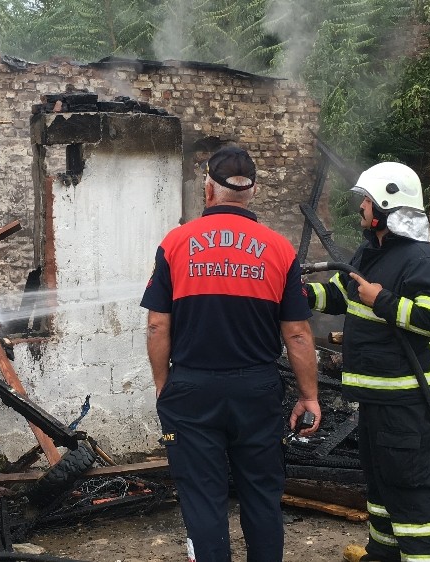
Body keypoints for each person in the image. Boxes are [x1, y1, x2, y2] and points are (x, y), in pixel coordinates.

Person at [140, 146, 321, 562]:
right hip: (255, 390)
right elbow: (296, 334)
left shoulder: (175, 243)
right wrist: (309, 396)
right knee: (261, 493)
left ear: (209, 189)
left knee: (202, 497)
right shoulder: (279, 248)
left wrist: (164, 385)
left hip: (191, 388)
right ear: (252, 192)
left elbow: (157, 324)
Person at [304, 162, 430, 562]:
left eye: (367, 200)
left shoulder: (420, 259)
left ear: (387, 206)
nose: (362, 206)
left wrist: (381, 301)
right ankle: (383, 556)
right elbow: (341, 291)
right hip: (375, 395)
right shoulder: (373, 252)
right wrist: (301, 296)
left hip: (404, 397)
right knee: (382, 486)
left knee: (409, 488)